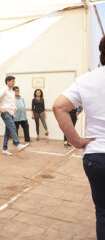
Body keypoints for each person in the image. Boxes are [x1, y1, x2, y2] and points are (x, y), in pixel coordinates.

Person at [52, 35, 105, 240]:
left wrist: (76, 141)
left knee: (102, 212)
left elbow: (58, 106)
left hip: (96, 156)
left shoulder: (87, 79)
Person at [0, 76, 29, 156]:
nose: (14, 82)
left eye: (14, 81)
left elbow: (12, 102)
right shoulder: (3, 90)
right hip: (5, 113)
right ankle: (18, 144)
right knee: (13, 127)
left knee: (7, 132)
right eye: (12, 81)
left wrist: (15, 108)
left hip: (11, 113)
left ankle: (4, 149)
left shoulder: (12, 91)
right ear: (8, 82)